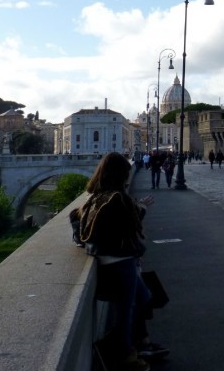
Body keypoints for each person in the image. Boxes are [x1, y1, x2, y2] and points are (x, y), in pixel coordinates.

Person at [78, 152, 168, 370]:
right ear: (120, 174)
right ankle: (125, 357)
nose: (129, 176)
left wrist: (138, 208)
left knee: (143, 297)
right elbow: (129, 225)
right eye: (126, 173)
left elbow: (77, 218)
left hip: (109, 259)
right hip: (120, 262)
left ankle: (136, 345)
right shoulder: (118, 198)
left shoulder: (96, 197)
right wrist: (141, 209)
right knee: (126, 311)